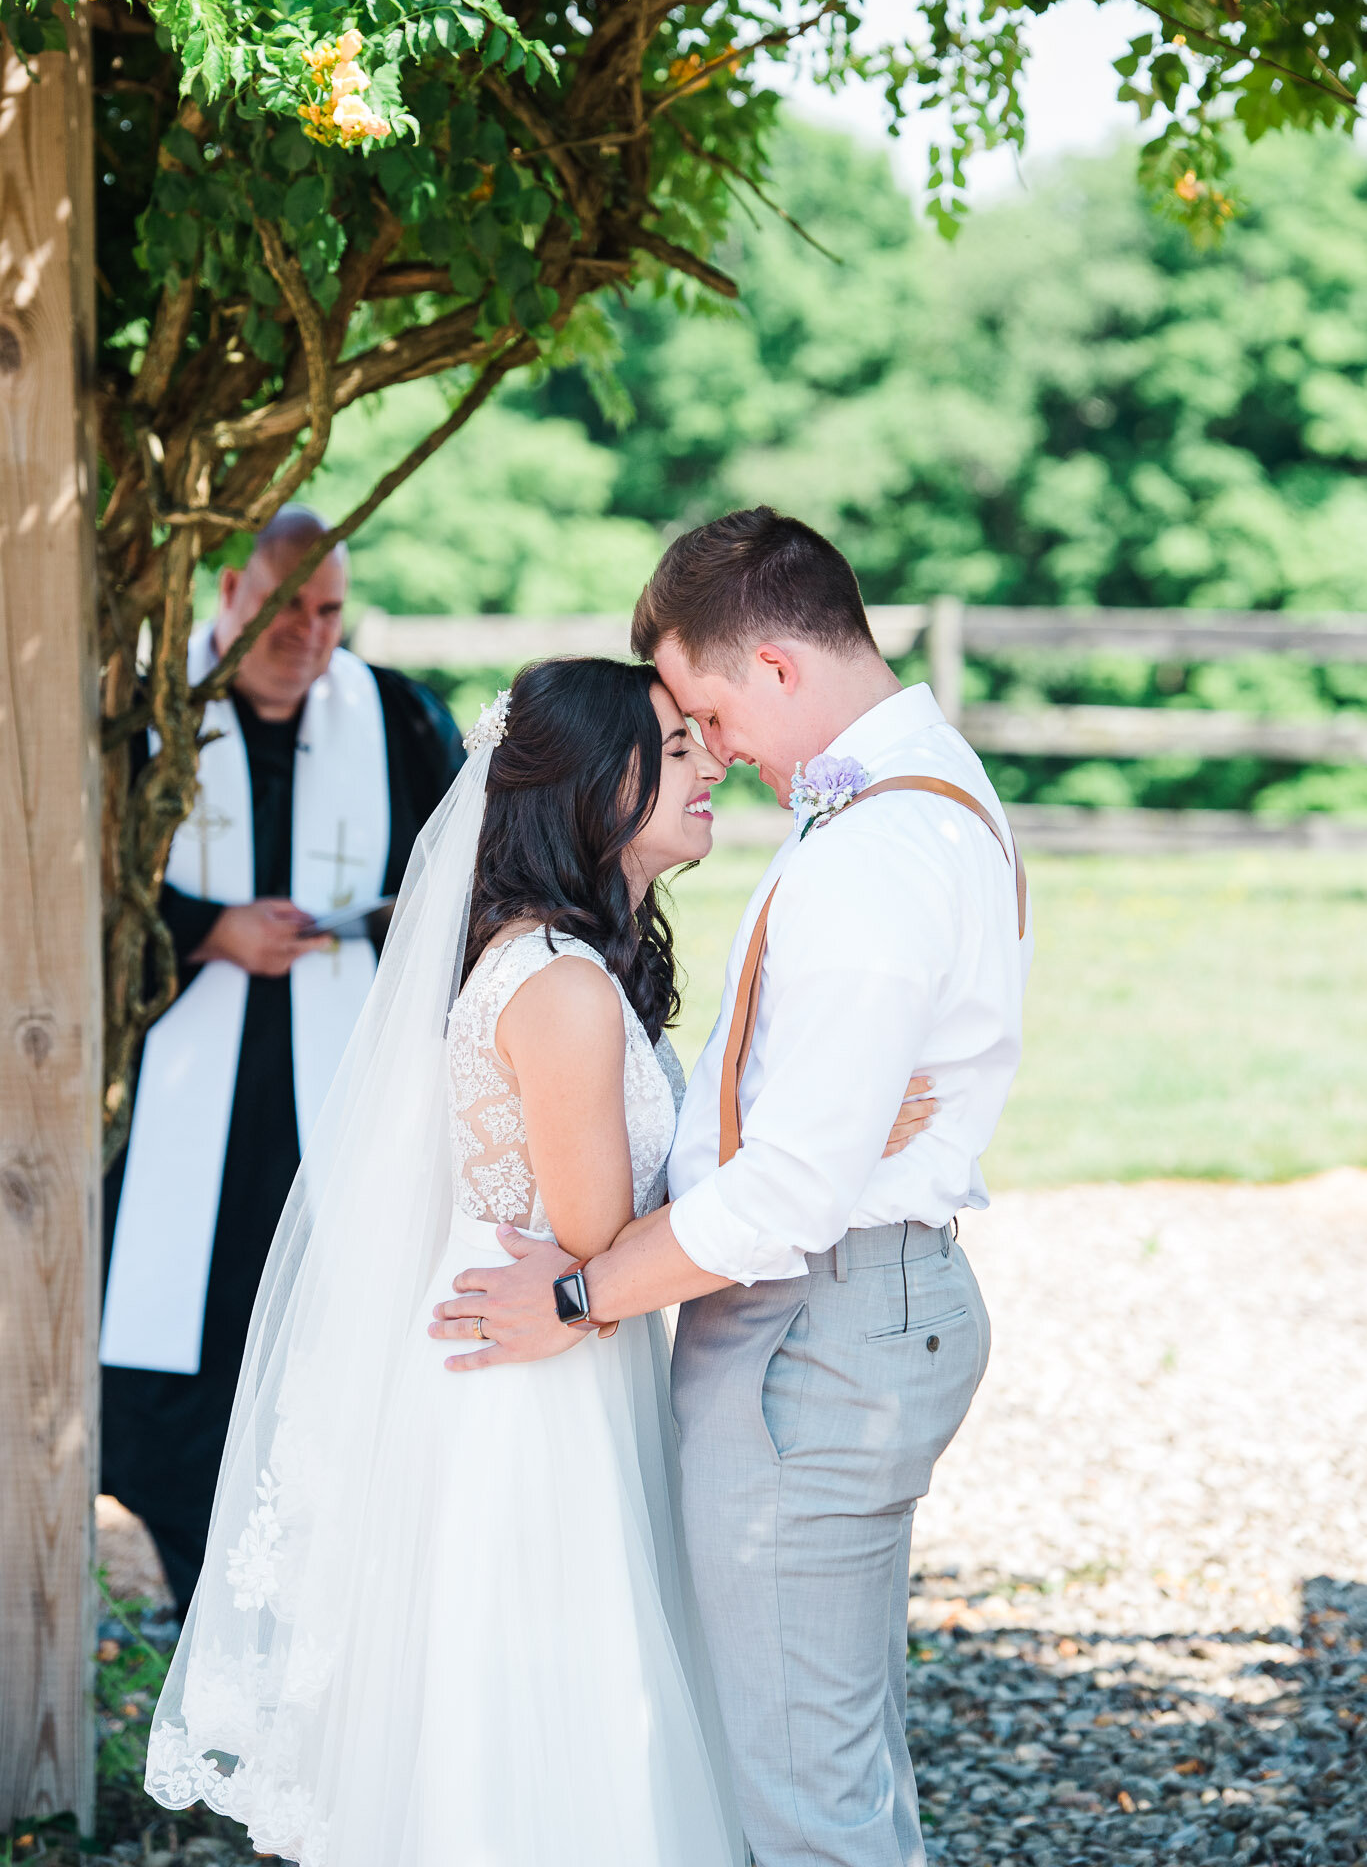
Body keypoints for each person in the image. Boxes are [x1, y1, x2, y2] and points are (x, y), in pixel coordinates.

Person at [143, 656, 935, 1866]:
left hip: (542, 1355)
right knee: (554, 1720)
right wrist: (826, 1140)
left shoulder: (554, 959)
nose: (710, 761)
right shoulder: (558, 985)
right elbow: (600, 1246)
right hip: (534, 1389)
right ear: (588, 786)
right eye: (674, 749)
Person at [431, 508, 1033, 1867]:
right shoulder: (913, 800)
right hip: (845, 1308)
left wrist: (578, 1295)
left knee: (802, 1798)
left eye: (705, 710)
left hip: (809, 1329)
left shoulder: (875, 852)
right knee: (836, 1762)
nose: (710, 748)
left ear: (771, 665)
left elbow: (785, 1197)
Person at [101, 506, 462, 1618]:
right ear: (225, 595)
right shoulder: (144, 720)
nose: (307, 631)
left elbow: (460, 869)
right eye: (284, 603)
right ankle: (195, 1585)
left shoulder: (394, 719)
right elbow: (81, 876)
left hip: (333, 1092)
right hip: (170, 1101)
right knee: (177, 1356)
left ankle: (304, 1603)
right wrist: (210, 928)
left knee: (321, 1327)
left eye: (327, 609)